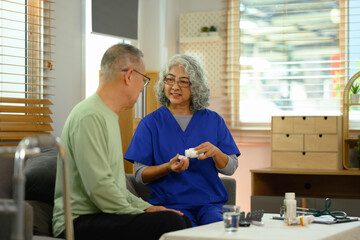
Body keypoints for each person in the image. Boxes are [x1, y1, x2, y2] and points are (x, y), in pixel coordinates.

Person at [52, 44, 191, 240]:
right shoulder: (89, 116)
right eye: (144, 81)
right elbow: (100, 190)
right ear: (129, 76)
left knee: (180, 221)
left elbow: (116, 187)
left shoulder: (108, 116)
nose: (143, 89)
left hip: (101, 216)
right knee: (171, 223)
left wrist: (149, 208)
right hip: (77, 222)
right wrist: (141, 214)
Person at [124, 54, 241, 227]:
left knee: (217, 228)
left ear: (196, 86)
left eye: (183, 82)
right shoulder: (150, 124)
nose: (174, 87)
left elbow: (231, 168)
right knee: (184, 228)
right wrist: (168, 167)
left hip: (209, 204)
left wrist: (216, 153)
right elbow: (140, 175)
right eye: (169, 80)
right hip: (171, 205)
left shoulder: (213, 120)